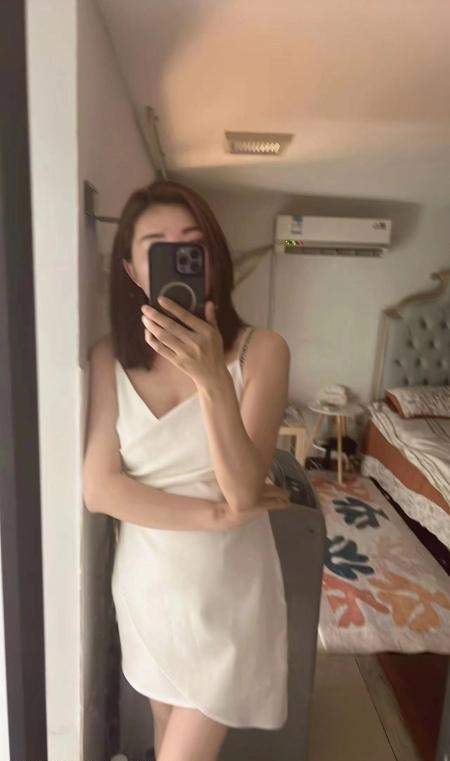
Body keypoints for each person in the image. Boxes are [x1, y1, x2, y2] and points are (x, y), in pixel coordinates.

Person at [82, 179, 291, 761]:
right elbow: (100, 489)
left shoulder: (262, 351)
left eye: (191, 244)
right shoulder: (109, 356)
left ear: (212, 259)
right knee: (164, 730)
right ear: (132, 270)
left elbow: (242, 489)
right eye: (157, 246)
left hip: (228, 594)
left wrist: (212, 379)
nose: (176, 254)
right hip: (149, 588)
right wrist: (217, 517)